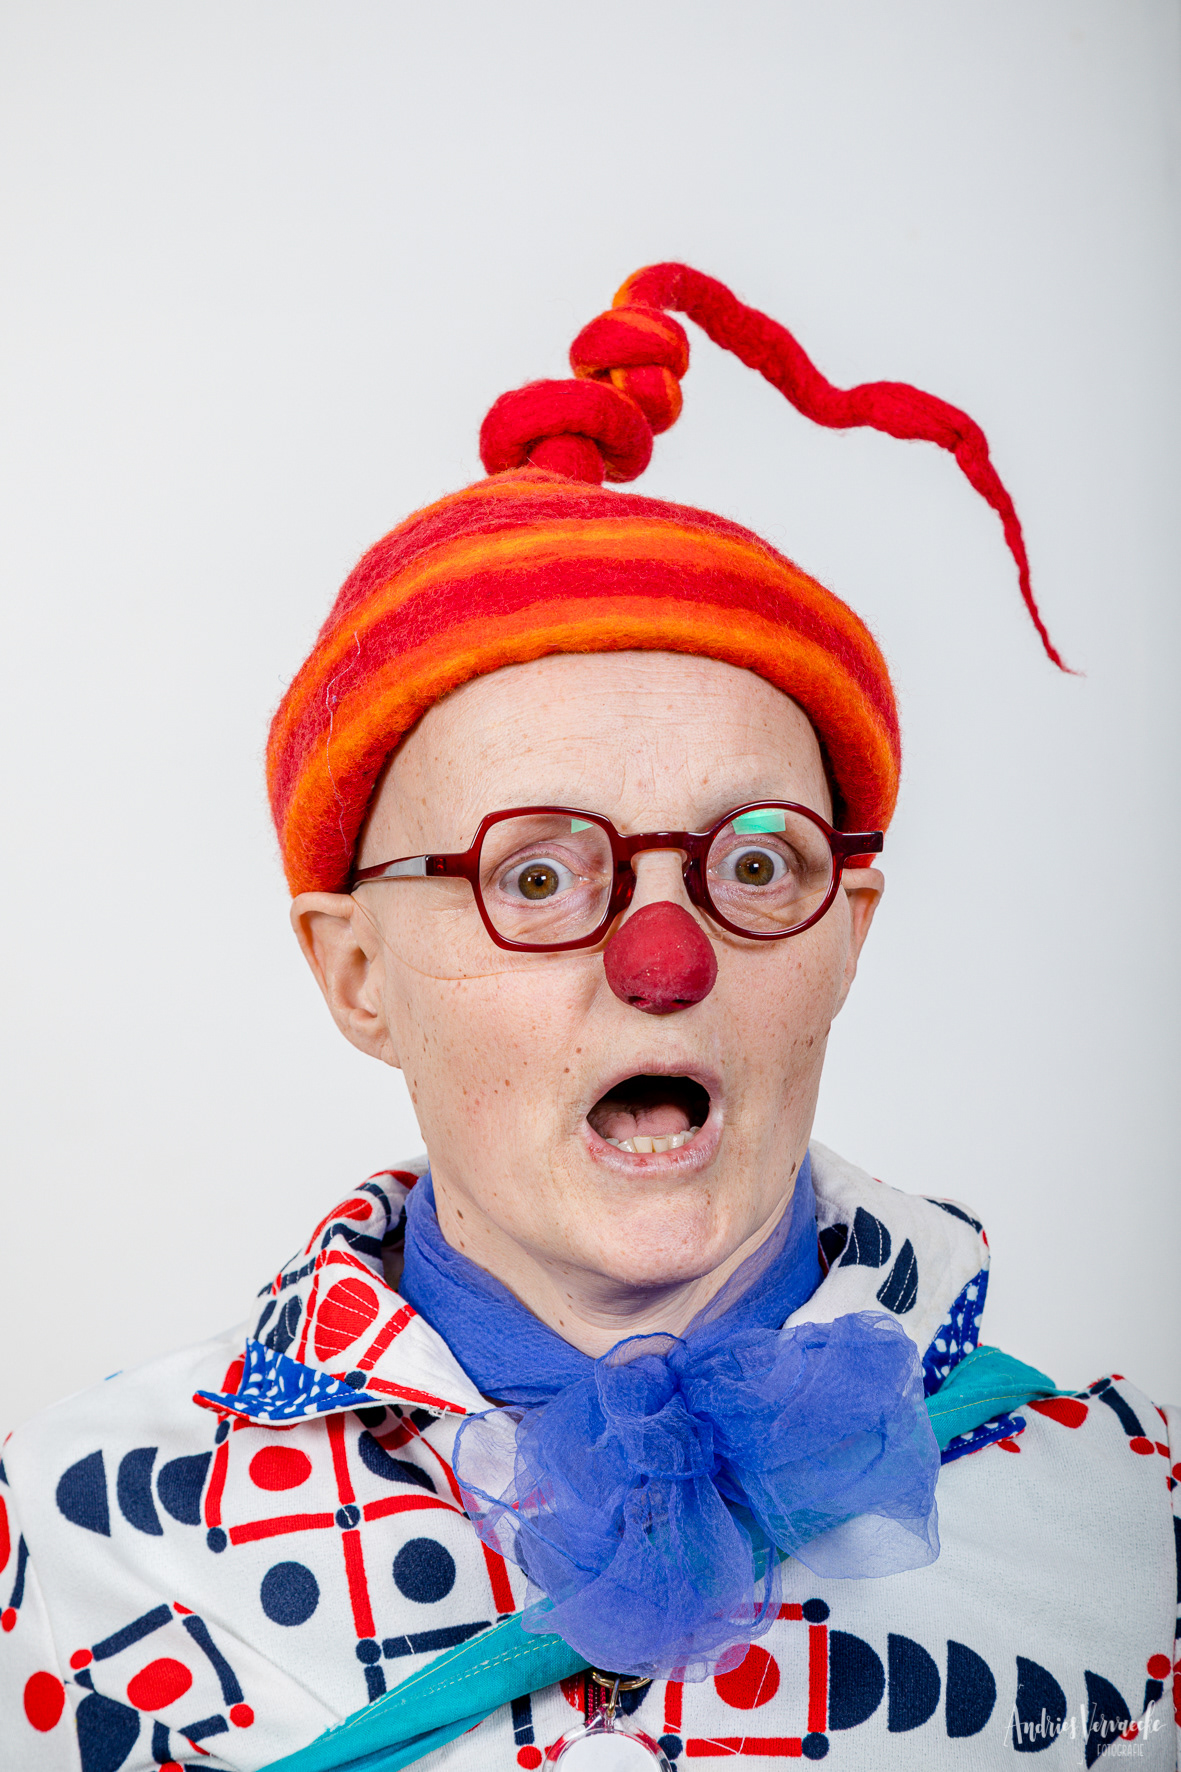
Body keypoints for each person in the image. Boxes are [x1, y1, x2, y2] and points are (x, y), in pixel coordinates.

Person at [1, 266, 1176, 1772]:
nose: (662, 961)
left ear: (846, 937)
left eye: (756, 864)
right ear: (357, 974)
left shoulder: (1127, 1522)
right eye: (538, 874)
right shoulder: (77, 1542)